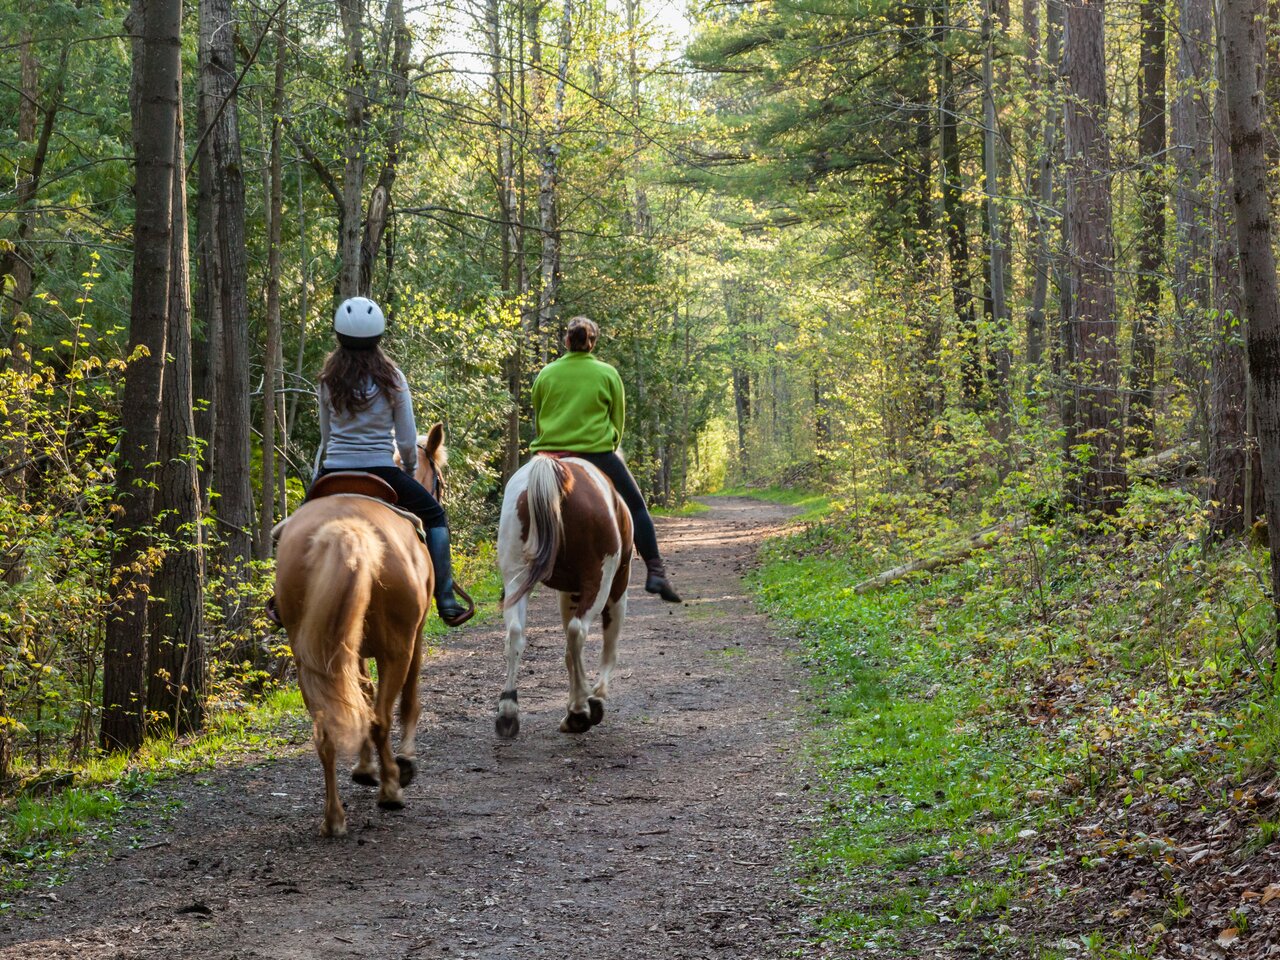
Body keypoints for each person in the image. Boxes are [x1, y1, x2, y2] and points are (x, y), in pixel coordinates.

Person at [305, 296, 472, 626]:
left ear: (339, 338)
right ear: (379, 338)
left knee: (295, 526)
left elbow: (326, 436)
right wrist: (408, 469)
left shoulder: (327, 380)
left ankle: (283, 599)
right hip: (382, 470)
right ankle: (446, 598)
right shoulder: (393, 378)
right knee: (436, 517)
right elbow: (408, 441)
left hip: (335, 470)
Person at [530, 316, 681, 603]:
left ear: (566, 341)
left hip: (549, 454)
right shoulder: (608, 373)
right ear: (593, 342)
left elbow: (540, 419)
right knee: (636, 507)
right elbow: (618, 423)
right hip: (596, 454)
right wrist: (607, 444)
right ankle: (656, 571)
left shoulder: (546, 374)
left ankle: (511, 575)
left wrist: (551, 445)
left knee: (517, 502)